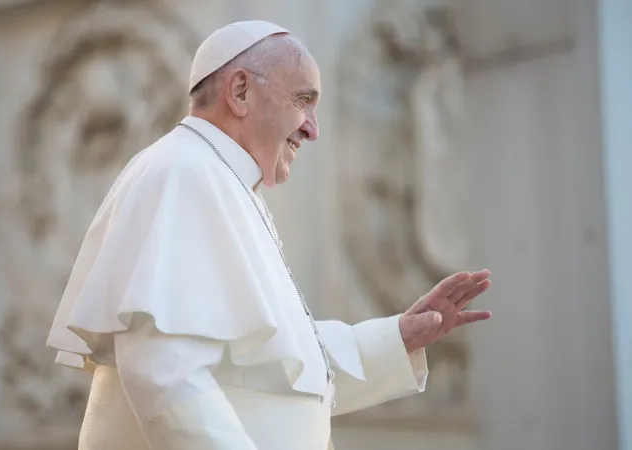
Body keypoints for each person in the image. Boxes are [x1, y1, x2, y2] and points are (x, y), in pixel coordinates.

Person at [46, 20, 492, 450]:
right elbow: (163, 369)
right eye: (303, 101)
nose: (313, 129)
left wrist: (398, 338)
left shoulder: (222, 181)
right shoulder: (181, 174)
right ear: (240, 92)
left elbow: (268, 364)